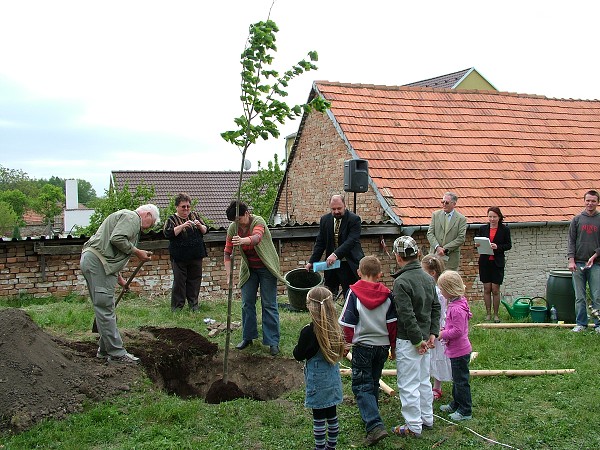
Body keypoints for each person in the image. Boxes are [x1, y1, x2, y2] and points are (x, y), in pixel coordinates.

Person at [80, 204, 160, 364]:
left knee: (105, 308)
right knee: (105, 308)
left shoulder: (125, 217)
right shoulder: (132, 217)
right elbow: (117, 239)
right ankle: (117, 353)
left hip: (96, 262)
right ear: (148, 215)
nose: (146, 230)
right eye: (150, 225)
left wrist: (121, 280)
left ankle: (104, 351)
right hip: (97, 263)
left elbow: (110, 254)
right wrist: (138, 252)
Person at [338, 255, 397, 446]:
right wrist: (393, 348)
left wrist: (345, 344)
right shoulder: (388, 295)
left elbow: (347, 323)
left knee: (361, 385)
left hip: (363, 346)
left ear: (358, 272)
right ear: (380, 274)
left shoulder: (353, 293)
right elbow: (392, 325)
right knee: (372, 382)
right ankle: (372, 414)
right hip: (382, 346)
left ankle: (374, 424)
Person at [389, 236, 440, 439]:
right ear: (418, 254)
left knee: (408, 383)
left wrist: (417, 340)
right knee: (423, 381)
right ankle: (427, 418)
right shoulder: (428, 278)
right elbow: (436, 307)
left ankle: (413, 426)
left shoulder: (401, 282)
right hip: (426, 340)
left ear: (398, 257)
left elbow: (406, 315)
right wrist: (432, 334)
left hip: (409, 340)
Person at [224, 200, 286, 356]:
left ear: (246, 213)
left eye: (239, 220)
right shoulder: (233, 228)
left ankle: (272, 341)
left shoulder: (258, 221)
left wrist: (243, 240)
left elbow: (257, 238)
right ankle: (248, 337)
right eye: (234, 221)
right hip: (249, 269)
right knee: (247, 303)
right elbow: (227, 252)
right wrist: (228, 275)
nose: (237, 224)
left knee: (269, 304)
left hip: (267, 267)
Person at [293, 286, 345, 450]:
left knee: (318, 418)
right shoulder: (336, 328)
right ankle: (332, 446)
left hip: (318, 382)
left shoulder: (309, 331)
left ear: (310, 305)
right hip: (333, 379)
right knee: (332, 415)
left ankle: (320, 447)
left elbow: (299, 355)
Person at [306, 194, 365, 301]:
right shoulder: (325, 220)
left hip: (349, 263)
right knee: (329, 294)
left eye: (339, 208)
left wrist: (335, 254)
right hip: (331, 265)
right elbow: (320, 243)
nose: (336, 211)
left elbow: (351, 241)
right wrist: (312, 262)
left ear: (345, 205)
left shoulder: (354, 219)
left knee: (350, 295)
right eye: (333, 209)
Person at [437, 270, 473, 421]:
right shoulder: (456, 302)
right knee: (456, 379)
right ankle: (456, 403)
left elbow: (457, 331)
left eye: (442, 289)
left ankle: (465, 410)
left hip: (459, 350)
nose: (441, 292)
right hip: (455, 350)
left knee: (461, 381)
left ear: (449, 290)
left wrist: (443, 334)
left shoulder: (457, 308)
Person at [163, 193, 208, 312]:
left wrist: (199, 225)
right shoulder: (171, 219)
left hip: (196, 254)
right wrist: (182, 226)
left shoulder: (195, 216)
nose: (186, 209)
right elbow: (168, 233)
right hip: (179, 256)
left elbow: (205, 230)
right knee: (179, 282)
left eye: (188, 206)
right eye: (183, 207)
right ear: (177, 207)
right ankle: (177, 307)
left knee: (195, 280)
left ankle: (194, 305)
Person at [567, 190, 600, 333]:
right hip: (578, 263)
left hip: (596, 264)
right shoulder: (577, 219)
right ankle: (581, 323)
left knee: (596, 296)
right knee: (579, 297)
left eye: (593, 201)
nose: (590, 203)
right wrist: (571, 260)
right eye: (588, 201)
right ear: (584, 201)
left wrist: (595, 256)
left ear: (598, 202)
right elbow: (571, 241)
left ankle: (598, 324)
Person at [421, 254, 452, 401]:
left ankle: (437, 387)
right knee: (428, 358)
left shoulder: (438, 291)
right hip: (429, 327)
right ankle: (427, 385)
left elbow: (438, 312)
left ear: (432, 273)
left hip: (437, 327)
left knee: (438, 356)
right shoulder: (427, 288)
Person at [475, 206, 512, 323]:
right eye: (490, 216)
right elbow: (477, 242)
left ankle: (496, 314)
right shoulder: (483, 228)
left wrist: (498, 247)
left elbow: (508, 245)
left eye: (494, 217)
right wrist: (477, 245)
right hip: (485, 262)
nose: (492, 219)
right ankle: (488, 314)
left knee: (495, 289)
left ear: (499, 217)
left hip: (497, 262)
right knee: (487, 288)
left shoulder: (504, 229)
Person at [427, 192, 467, 271]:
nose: (444, 204)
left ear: (454, 204)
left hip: (451, 259)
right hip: (435, 256)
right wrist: (437, 247)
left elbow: (461, 238)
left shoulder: (461, 219)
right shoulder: (436, 215)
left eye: (447, 202)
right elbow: (430, 233)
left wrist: (445, 249)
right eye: (442, 202)